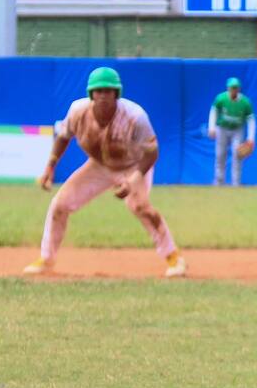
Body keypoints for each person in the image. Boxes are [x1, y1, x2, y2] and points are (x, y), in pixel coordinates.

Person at [24, 67, 187, 278]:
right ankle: (46, 259)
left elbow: (152, 152)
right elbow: (63, 136)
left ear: (116, 93)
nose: (102, 96)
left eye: (108, 91)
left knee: (140, 207)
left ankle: (174, 257)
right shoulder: (78, 111)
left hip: (133, 166)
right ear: (91, 94)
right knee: (59, 205)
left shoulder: (135, 116)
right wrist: (50, 166)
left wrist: (134, 179)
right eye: (98, 91)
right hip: (99, 166)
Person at [208, 76, 256, 186]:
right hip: (222, 128)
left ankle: (236, 183)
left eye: (235, 88)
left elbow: (251, 120)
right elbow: (213, 112)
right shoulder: (221, 98)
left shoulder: (245, 102)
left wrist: (251, 138)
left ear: (239, 89)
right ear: (228, 88)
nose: (233, 90)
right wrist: (212, 127)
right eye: (232, 88)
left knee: (237, 154)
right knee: (220, 154)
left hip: (237, 130)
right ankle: (219, 182)